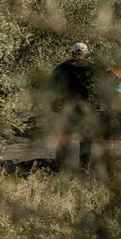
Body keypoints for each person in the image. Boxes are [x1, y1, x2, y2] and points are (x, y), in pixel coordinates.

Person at [50, 42, 96, 172]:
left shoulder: (61, 67)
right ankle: (84, 168)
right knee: (86, 139)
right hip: (85, 107)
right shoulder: (93, 68)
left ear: (72, 53)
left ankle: (60, 167)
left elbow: (51, 86)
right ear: (86, 54)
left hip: (67, 106)